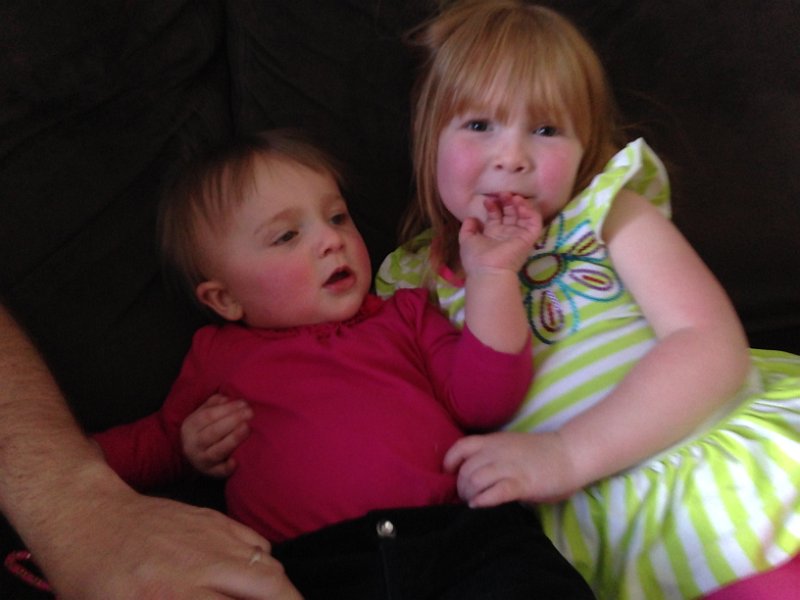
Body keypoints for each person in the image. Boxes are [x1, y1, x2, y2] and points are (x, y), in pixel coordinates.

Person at [375, 1, 800, 599]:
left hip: (714, 466)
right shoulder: (410, 282)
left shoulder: (605, 212)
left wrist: (567, 454)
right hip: (602, 529)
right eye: (479, 125)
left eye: (546, 130)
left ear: (584, 149)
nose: (512, 156)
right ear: (429, 139)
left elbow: (710, 344)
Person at [91, 129, 594, 599]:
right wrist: (181, 444)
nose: (331, 240)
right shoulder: (218, 356)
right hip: (313, 566)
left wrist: (492, 275)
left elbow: (486, 400)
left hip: (459, 536)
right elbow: (154, 443)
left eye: (337, 217)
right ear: (224, 299)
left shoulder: (407, 315)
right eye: (286, 236)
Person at [0, 303, 302, 600]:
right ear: (222, 299)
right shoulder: (223, 352)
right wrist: (192, 444)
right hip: (276, 555)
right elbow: (163, 439)